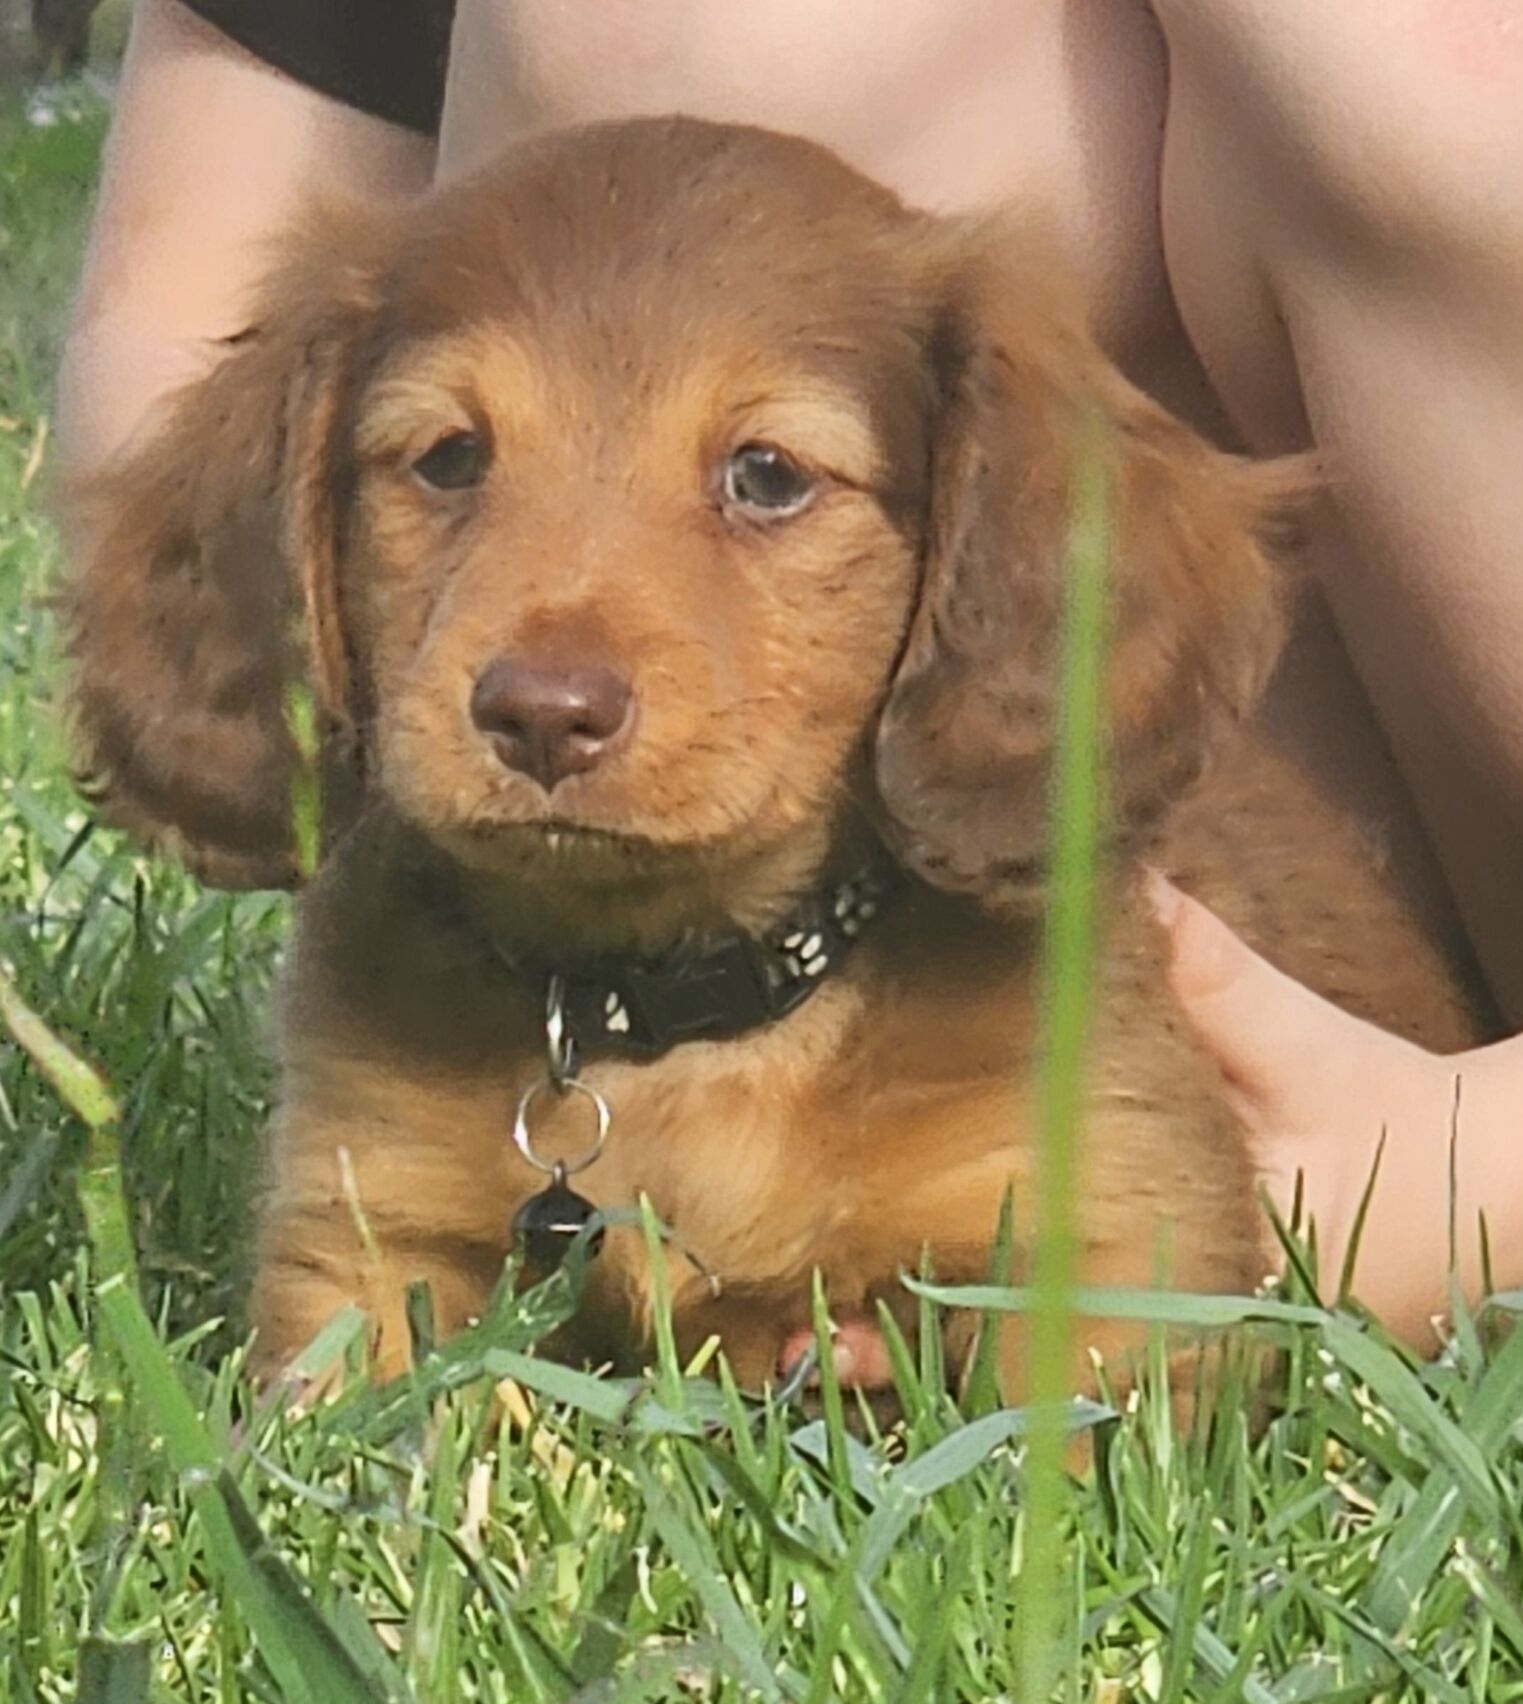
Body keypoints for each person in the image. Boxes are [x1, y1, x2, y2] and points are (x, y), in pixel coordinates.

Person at [56, 0, 1523, 1357]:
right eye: (448, 458)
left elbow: (1111, 1368)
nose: (548, 678)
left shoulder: (1023, 1042)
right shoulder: (388, 1021)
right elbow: (177, 329)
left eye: (766, 478)